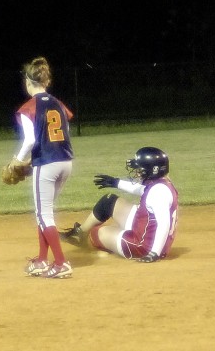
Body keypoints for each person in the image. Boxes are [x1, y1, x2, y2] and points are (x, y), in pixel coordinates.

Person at [13, 56, 75, 278]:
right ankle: (41, 260)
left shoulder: (29, 107)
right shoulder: (58, 104)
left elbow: (30, 140)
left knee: (43, 214)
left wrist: (17, 160)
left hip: (47, 164)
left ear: (28, 82)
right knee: (45, 212)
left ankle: (60, 263)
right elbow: (63, 134)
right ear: (46, 81)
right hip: (66, 162)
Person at [60, 147, 178, 263]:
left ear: (154, 170)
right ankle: (79, 234)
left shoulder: (158, 192)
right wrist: (116, 182)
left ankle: (91, 249)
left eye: (140, 169)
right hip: (145, 232)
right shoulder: (161, 185)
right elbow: (142, 190)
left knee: (97, 232)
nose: (137, 172)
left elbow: (164, 224)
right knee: (109, 201)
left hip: (143, 246)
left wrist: (154, 253)